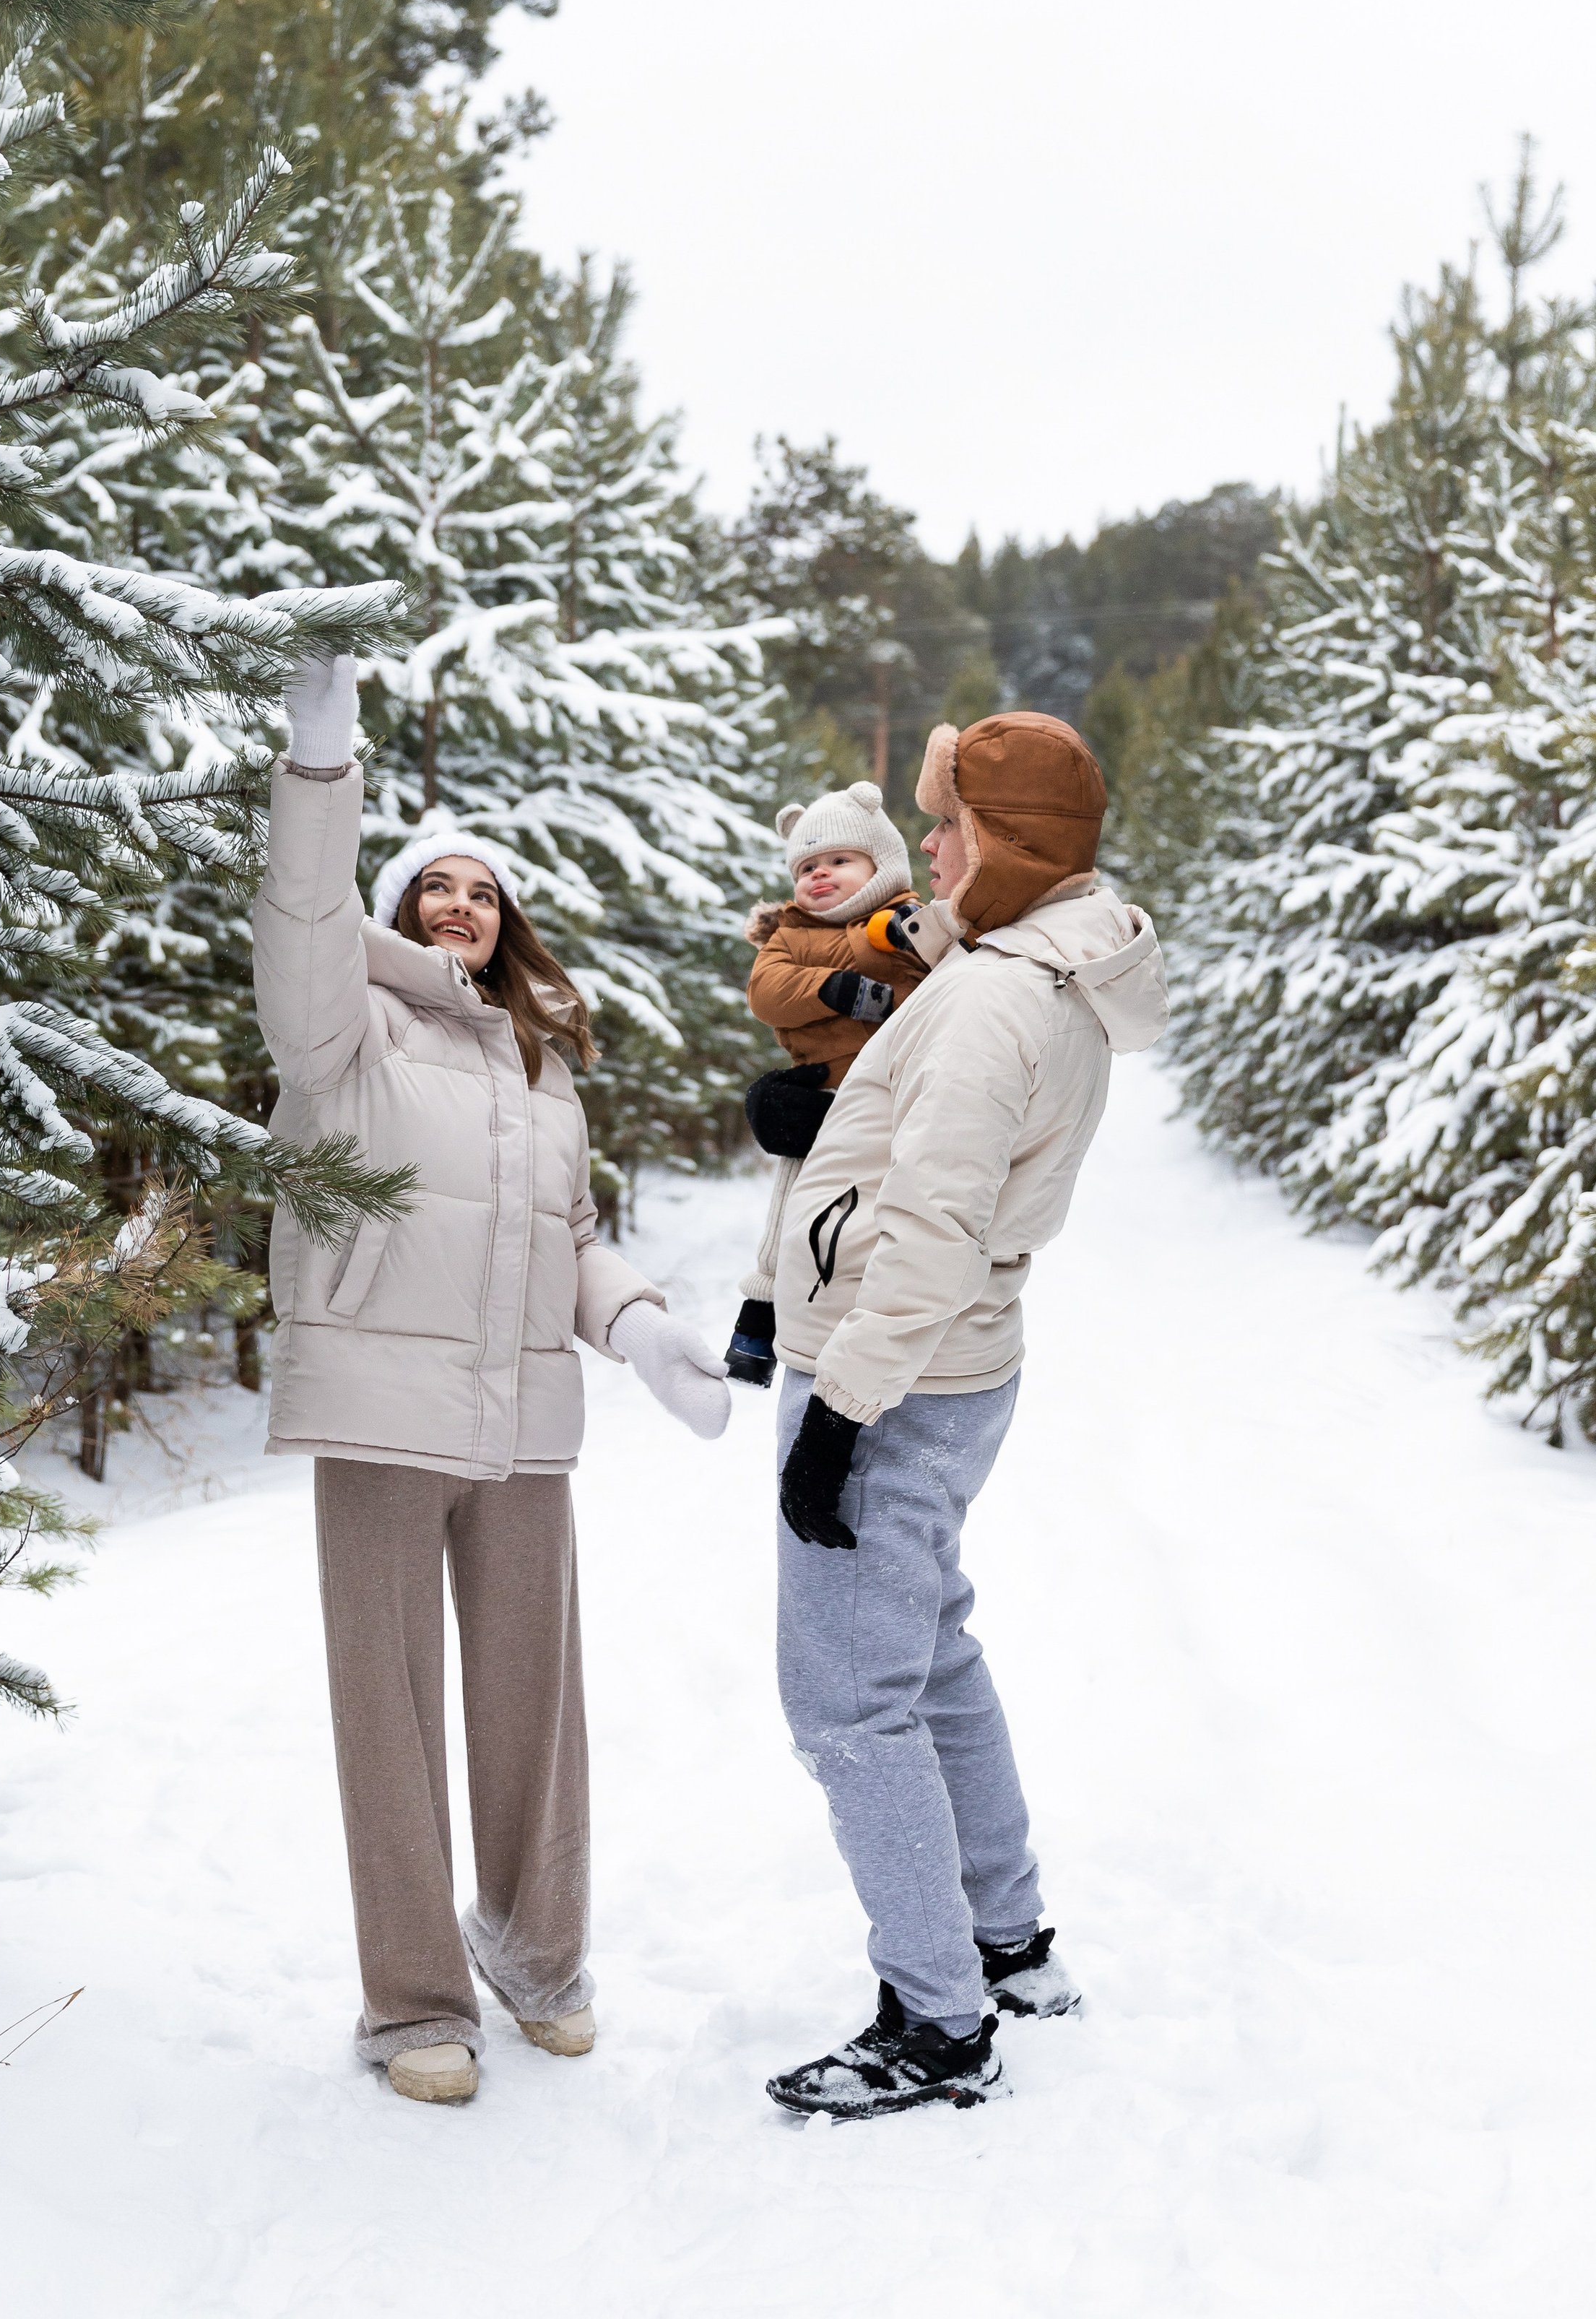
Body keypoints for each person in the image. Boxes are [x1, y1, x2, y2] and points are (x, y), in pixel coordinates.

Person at [254, 654, 729, 2110]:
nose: (457, 906)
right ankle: (413, 2003)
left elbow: (562, 1243)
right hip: (382, 1413)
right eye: (431, 890)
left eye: (479, 891)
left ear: (504, 919)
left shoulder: (538, 1066)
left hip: (523, 1424)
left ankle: (534, 1955)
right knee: (387, 1708)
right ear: (397, 914)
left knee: (537, 1700)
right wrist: (322, 765)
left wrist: (639, 1325)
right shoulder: (349, 1034)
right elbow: (302, 923)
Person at [762, 712, 1168, 2121]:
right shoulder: (1023, 965)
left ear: (1004, 841)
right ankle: (1005, 1938)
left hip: (894, 1373)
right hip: (955, 1366)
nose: (922, 850)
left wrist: (838, 1415)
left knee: (847, 1702)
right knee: (925, 1650)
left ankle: (935, 2019)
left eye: (946, 828)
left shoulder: (1000, 998)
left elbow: (929, 1228)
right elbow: (916, 1109)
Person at [724, 781, 930, 1386]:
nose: (820, 875)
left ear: (881, 864)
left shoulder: (902, 922)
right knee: (790, 1209)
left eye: (839, 861)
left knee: (873, 1219)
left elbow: (931, 969)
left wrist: (879, 937)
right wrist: (831, 991)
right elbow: (767, 992)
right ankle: (758, 1321)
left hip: (891, 1102)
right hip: (816, 1098)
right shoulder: (787, 933)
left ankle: (873, 1324)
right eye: (807, 865)